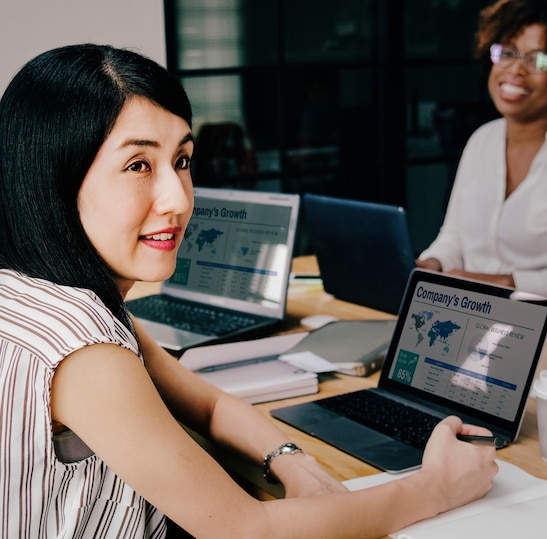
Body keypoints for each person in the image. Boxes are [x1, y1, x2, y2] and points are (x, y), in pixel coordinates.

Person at [0, 44, 497, 538]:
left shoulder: (39, 291)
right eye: (138, 166)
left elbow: (212, 407)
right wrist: (438, 487)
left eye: (182, 160)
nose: (178, 198)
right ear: (54, 180)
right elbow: (246, 532)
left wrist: (295, 465)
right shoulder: (83, 349)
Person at [417, 0, 547, 311]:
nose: (515, 69)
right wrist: (432, 263)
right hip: (472, 320)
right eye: (507, 52)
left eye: (538, 59)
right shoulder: (482, 140)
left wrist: (512, 283)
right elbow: (454, 239)